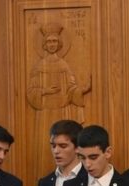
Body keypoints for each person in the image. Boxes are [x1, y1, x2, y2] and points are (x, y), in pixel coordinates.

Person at [26, 22, 91, 173]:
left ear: (60, 43)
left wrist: (82, 90)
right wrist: (45, 91)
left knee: (66, 141)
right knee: (46, 147)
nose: (52, 44)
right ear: (44, 44)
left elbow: (71, 89)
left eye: (54, 41)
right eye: (49, 41)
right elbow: (31, 92)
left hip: (62, 112)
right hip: (44, 114)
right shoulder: (39, 66)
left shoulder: (63, 65)